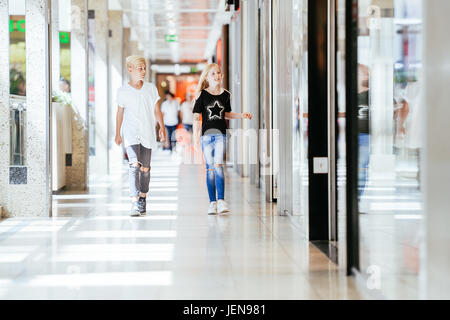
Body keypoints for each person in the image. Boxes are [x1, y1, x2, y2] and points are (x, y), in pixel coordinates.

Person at [193, 63, 252, 215]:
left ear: (222, 75)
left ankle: (221, 201)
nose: (216, 76)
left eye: (218, 73)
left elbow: (226, 113)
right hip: (206, 136)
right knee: (210, 168)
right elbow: (195, 117)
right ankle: (212, 202)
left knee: (218, 165)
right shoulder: (201, 95)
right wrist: (194, 137)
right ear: (207, 77)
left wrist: (242, 115)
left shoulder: (226, 94)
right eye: (212, 73)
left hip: (221, 135)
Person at [115, 55, 166, 217]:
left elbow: (157, 110)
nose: (143, 71)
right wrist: (118, 133)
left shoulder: (151, 88)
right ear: (130, 69)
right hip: (130, 133)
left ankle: (143, 196)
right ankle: (134, 202)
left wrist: (162, 127)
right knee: (134, 166)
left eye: (144, 68)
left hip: (147, 133)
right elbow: (119, 113)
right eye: (140, 68)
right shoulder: (122, 91)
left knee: (145, 169)